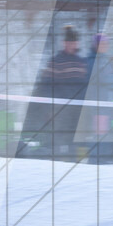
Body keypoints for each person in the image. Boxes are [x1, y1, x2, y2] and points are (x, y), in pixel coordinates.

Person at [35, 25, 89, 160]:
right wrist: (50, 106)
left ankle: (73, 161)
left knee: (74, 138)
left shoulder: (81, 62)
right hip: (60, 107)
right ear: (64, 43)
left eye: (74, 42)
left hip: (77, 108)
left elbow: (85, 85)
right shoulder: (56, 61)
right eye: (69, 42)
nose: (72, 44)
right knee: (58, 137)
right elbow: (46, 85)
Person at [85, 34, 113, 164]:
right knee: (100, 132)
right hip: (98, 101)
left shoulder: (105, 59)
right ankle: (96, 159)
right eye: (102, 44)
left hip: (108, 102)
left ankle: (108, 157)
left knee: (108, 130)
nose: (105, 47)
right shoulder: (93, 60)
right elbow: (103, 78)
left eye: (106, 44)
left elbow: (112, 77)